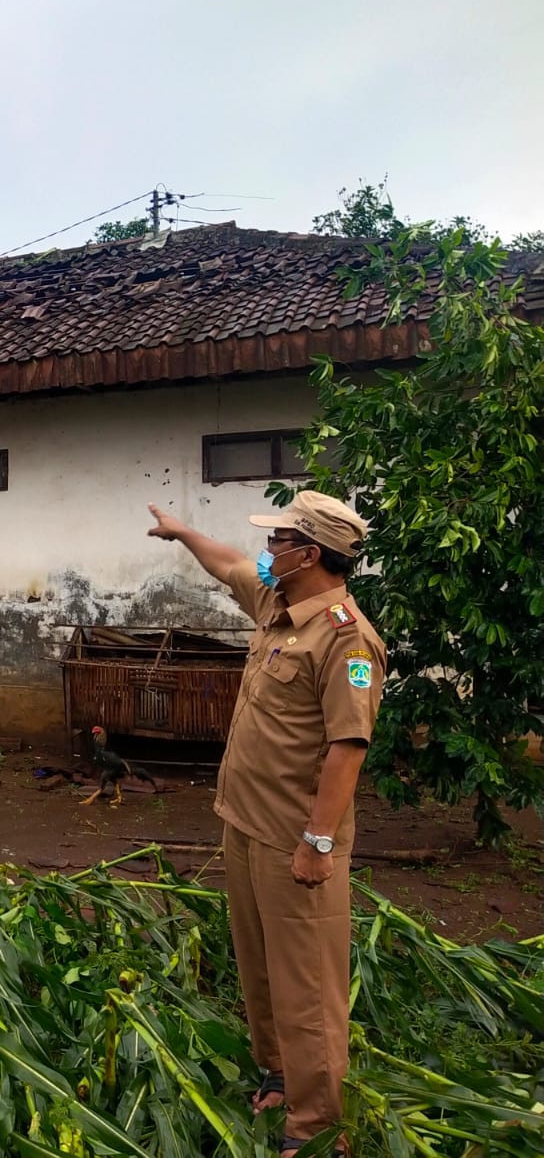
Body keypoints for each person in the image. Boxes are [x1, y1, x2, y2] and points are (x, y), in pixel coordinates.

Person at [146, 491, 385, 1157]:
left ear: (309, 555)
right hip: (245, 823)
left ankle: (315, 1129)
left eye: (278, 541)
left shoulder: (344, 637)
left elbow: (347, 745)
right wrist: (181, 531)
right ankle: (280, 1073)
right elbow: (228, 564)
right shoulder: (278, 605)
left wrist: (317, 842)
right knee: (259, 967)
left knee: (306, 985)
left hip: (294, 838)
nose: (266, 550)